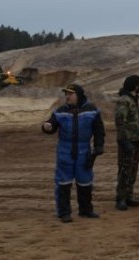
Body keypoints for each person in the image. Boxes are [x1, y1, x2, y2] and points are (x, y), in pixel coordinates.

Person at [41, 83, 105, 223]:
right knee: (63, 182)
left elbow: (99, 129)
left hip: (84, 151)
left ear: (79, 95)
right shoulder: (60, 111)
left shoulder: (92, 110)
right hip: (65, 151)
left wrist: (99, 146)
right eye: (66, 94)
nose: (67, 96)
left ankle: (85, 210)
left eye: (70, 94)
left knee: (85, 182)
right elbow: (51, 125)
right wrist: (47, 127)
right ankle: (64, 212)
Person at [114, 74, 139, 211]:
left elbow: (137, 115)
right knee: (124, 170)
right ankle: (121, 198)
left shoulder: (133, 100)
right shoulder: (124, 101)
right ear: (135, 86)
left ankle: (129, 196)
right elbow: (120, 121)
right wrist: (124, 141)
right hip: (127, 141)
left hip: (135, 140)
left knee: (132, 170)